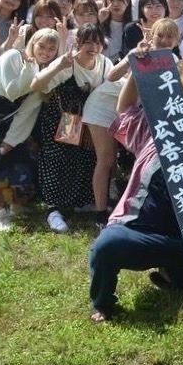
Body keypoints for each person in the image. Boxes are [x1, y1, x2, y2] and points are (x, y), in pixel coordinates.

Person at [88, 77, 183, 322]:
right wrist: (136, 70)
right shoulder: (154, 142)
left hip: (174, 243)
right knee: (106, 245)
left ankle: (173, 277)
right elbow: (125, 108)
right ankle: (103, 304)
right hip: (135, 231)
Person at [0, 27, 63, 230]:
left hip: (10, 121)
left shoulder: (43, 74)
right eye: (41, 45)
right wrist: (29, 69)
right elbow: (12, 91)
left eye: (51, 49)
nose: (45, 52)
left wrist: (11, 140)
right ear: (33, 43)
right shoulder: (14, 56)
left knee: (22, 155)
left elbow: (27, 112)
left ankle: (15, 202)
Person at [30, 23, 114, 232]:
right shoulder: (68, 62)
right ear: (78, 43)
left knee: (87, 158)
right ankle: (53, 208)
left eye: (97, 42)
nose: (93, 47)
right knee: (59, 159)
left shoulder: (104, 64)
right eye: (87, 42)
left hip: (90, 120)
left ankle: (80, 202)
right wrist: (58, 67)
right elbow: (36, 85)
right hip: (63, 119)